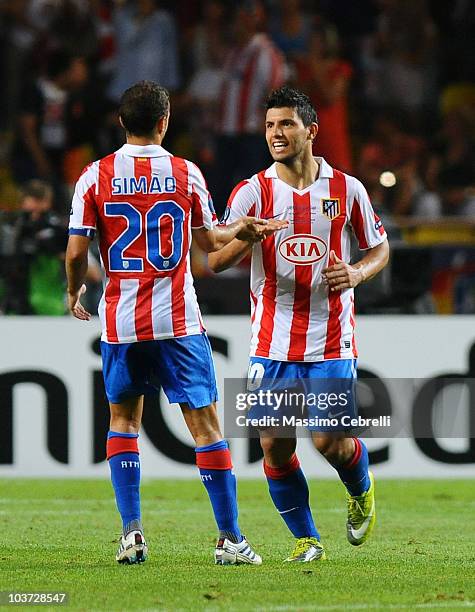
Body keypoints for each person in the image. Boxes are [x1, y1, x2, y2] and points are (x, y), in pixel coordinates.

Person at [65, 80, 285, 565]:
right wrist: (244, 231)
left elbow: (77, 251)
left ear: (121, 122)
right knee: (205, 426)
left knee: (123, 421)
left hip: (122, 323)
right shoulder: (185, 174)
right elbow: (210, 245)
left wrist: (73, 288)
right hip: (177, 319)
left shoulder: (93, 176)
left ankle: (131, 533)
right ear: (165, 122)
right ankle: (229, 538)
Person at [209, 86, 389, 562]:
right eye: (269, 125)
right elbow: (215, 261)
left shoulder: (346, 188)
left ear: (311, 130)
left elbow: (379, 248)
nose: (276, 134)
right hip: (270, 341)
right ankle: (307, 540)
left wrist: (355, 273)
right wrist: (243, 237)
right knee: (274, 446)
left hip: (332, 338)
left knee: (330, 440)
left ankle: (361, 489)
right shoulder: (253, 191)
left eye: (286, 124)